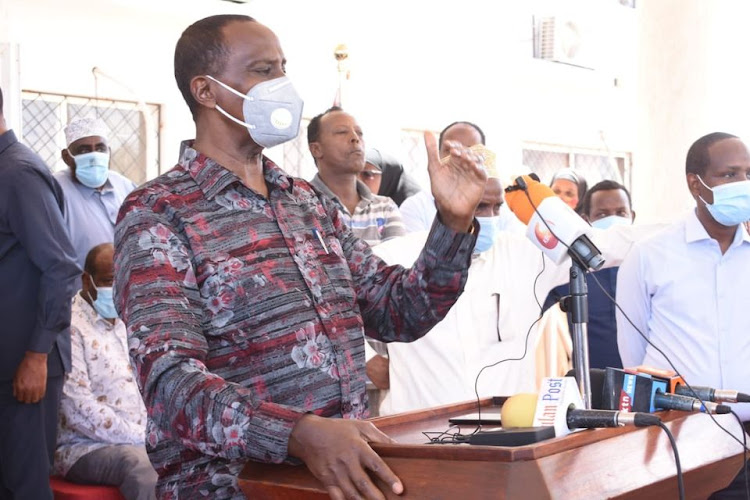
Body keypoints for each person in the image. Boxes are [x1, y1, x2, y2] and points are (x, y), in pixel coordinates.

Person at [113, 14, 486, 499]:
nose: (282, 85)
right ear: (205, 91)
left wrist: (453, 223)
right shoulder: (158, 212)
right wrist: (297, 432)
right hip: (231, 488)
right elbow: (169, 382)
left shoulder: (305, 202)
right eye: (263, 71)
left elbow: (399, 311)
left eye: (284, 69)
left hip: (340, 482)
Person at [615, 132, 750, 499]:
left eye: (748, 174)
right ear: (696, 184)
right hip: (679, 442)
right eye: (730, 175)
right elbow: (634, 354)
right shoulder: (650, 255)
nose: (743, 185)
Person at [0, 86, 80, 498]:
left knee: (23, 487)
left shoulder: (18, 173)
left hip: (24, 367)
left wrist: (36, 356)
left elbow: (62, 269)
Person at [55, 243, 157, 500]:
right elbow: (77, 409)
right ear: (86, 281)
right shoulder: (69, 326)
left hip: (140, 438)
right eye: (109, 281)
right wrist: (142, 437)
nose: (118, 289)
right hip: (86, 447)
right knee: (144, 468)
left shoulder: (128, 321)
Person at [543, 180, 636, 370]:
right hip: (589, 383)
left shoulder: (646, 262)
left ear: (632, 216)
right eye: (602, 214)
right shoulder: (569, 266)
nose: (614, 220)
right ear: (586, 220)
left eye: (621, 213)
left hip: (645, 380)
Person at [307, 107, 406, 246]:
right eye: (341, 132)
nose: (355, 138)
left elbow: (397, 262)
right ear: (316, 149)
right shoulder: (301, 205)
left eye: (359, 133)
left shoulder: (385, 208)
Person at [56, 117, 138, 269]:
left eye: (100, 148)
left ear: (109, 152)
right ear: (67, 157)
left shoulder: (125, 186)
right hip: (80, 289)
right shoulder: (56, 191)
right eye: (84, 150)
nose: (94, 156)